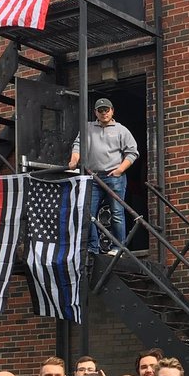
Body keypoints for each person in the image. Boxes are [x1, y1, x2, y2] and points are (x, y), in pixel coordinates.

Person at [68, 97, 139, 256]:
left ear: (112, 111)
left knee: (117, 213)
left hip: (114, 177)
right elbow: (78, 145)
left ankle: (118, 248)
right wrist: (74, 160)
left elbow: (132, 152)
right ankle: (93, 247)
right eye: (100, 110)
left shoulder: (121, 130)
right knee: (89, 213)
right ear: (95, 112)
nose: (104, 113)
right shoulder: (87, 128)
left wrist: (120, 170)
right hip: (93, 177)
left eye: (106, 110)